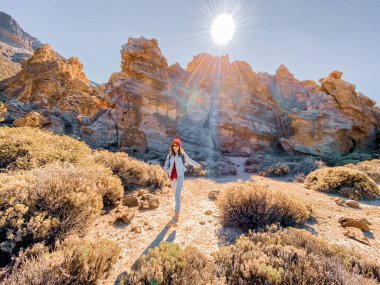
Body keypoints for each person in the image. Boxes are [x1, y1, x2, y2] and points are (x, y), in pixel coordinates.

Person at [163, 137, 202, 227]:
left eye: (176, 145)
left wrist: (198, 165)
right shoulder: (169, 155)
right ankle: (179, 200)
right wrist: (165, 169)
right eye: (173, 146)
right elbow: (166, 163)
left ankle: (176, 215)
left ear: (179, 146)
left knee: (177, 196)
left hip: (180, 176)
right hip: (172, 177)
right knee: (175, 194)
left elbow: (190, 161)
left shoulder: (182, 154)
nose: (175, 147)